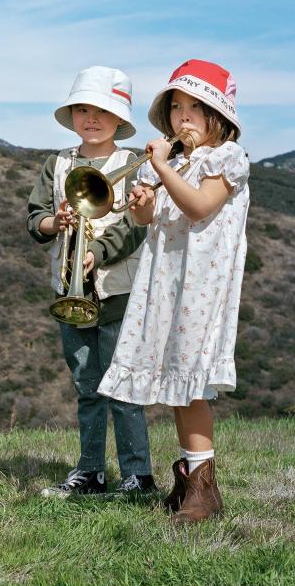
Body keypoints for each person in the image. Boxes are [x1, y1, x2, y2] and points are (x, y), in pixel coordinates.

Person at [98, 59, 250, 523]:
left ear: (216, 117)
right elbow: (145, 221)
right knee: (175, 385)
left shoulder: (227, 159)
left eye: (194, 108)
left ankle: (204, 488)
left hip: (202, 282)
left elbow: (201, 206)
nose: (182, 117)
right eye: (175, 108)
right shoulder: (176, 162)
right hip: (166, 281)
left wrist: (161, 169)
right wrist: (142, 202)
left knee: (193, 386)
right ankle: (188, 481)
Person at [27, 66, 156, 498]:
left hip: (119, 292)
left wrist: (95, 253)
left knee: (124, 384)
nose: (92, 118)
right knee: (87, 385)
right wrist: (54, 220)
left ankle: (139, 474)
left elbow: (137, 226)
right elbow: (34, 219)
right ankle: (91, 472)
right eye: (82, 109)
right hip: (69, 291)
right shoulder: (56, 163)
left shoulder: (133, 163)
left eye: (102, 111)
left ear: (119, 119)